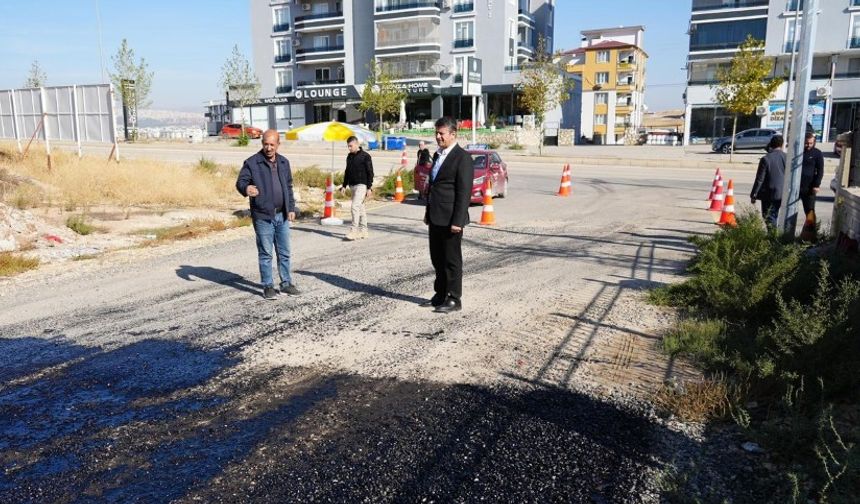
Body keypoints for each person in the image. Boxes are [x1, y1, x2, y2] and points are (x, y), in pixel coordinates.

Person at [236, 129, 301, 300]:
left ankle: (286, 284)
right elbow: (241, 182)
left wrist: (291, 208)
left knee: (284, 252)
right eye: (266, 144)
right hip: (263, 216)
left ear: (278, 144)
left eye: (272, 144)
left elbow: (288, 187)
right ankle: (268, 286)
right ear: (262, 143)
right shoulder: (252, 163)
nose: (269, 148)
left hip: (282, 215)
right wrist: (246, 188)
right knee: (266, 254)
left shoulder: (284, 162)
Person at [421, 117, 474, 313]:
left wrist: (458, 220)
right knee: (437, 258)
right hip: (435, 216)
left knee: (451, 260)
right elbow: (433, 186)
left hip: (451, 218)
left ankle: (454, 298)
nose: (438, 136)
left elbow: (464, 192)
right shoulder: (438, 155)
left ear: (453, 134)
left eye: (441, 133)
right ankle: (440, 294)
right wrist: (428, 212)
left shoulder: (462, 158)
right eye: (436, 133)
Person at [340, 136, 374, 240]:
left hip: (362, 185)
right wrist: (344, 185)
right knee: (361, 208)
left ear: (357, 144)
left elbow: (370, 172)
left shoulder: (365, 156)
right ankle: (364, 231)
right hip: (352, 185)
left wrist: (369, 187)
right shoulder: (349, 156)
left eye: (351, 146)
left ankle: (353, 231)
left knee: (354, 206)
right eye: (348, 146)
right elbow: (347, 171)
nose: (349, 148)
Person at [751, 135, 787, 228]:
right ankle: (774, 233)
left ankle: (773, 234)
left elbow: (760, 179)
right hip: (782, 192)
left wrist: (754, 194)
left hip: (769, 193)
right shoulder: (787, 157)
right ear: (782, 144)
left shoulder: (766, 159)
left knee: (768, 216)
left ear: (771, 144)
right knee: (774, 214)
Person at [800, 131, 824, 217]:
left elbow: (820, 171)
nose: (808, 145)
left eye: (811, 143)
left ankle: (811, 225)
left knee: (810, 211)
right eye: (806, 143)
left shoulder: (817, 153)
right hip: (796, 185)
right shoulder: (798, 152)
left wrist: (816, 185)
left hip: (809, 187)